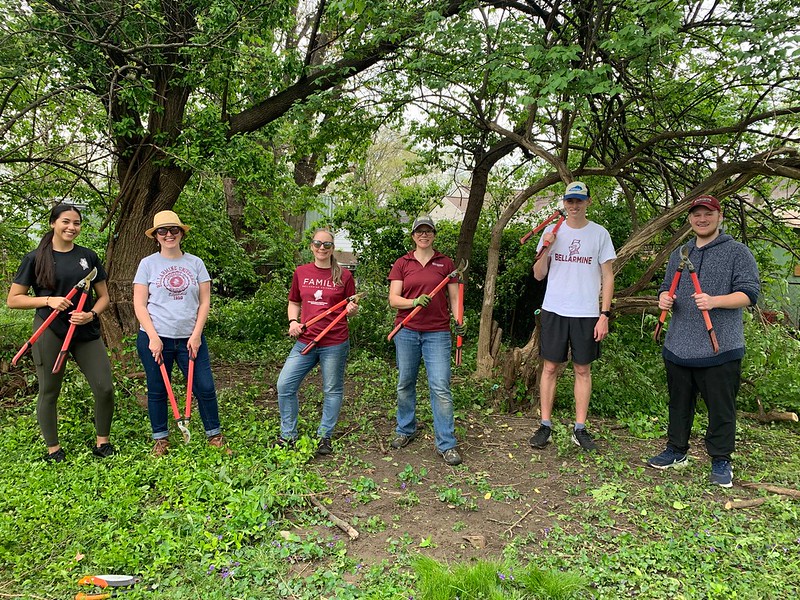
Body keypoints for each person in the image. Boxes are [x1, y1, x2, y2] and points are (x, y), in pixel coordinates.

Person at [647, 195, 759, 488]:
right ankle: (676, 450)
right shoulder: (680, 253)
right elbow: (665, 285)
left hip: (720, 347)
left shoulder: (738, 253)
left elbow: (749, 294)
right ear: (690, 219)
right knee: (679, 404)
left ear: (719, 216)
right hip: (678, 345)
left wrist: (715, 301)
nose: (702, 218)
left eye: (707, 213)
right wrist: (663, 298)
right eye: (696, 214)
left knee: (721, 408)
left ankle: (721, 459)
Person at [7, 204, 115, 462]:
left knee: (105, 388)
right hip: (50, 330)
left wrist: (92, 314)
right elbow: (14, 299)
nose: (71, 227)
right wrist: (48, 301)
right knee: (49, 390)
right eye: (66, 221)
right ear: (53, 223)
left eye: (76, 223)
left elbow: (104, 297)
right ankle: (53, 450)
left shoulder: (88, 257)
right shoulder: (34, 258)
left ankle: (103, 443)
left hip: (84, 330)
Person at [133, 210, 229, 456]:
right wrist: (153, 338)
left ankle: (214, 435)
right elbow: (139, 304)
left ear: (181, 234)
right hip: (155, 338)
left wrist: (196, 335)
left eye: (173, 230)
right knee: (157, 389)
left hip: (190, 338)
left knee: (204, 387)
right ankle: (161, 439)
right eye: (162, 231)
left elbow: (205, 301)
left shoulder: (195, 263)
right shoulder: (147, 264)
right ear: (155, 236)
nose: (168, 235)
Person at [529, 182, 616, 452]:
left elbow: (607, 275)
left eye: (579, 201)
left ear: (588, 202)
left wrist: (604, 314)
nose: (574, 206)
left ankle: (580, 428)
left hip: (586, 312)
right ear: (564, 203)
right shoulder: (551, 231)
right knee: (551, 368)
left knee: (582, 369)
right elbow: (538, 274)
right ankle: (545, 425)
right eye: (570, 201)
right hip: (554, 309)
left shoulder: (599, 234)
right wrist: (545, 247)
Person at [388, 215, 465, 466]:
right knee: (405, 382)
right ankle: (405, 429)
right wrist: (414, 302)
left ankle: (446, 443)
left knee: (440, 386)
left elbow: (454, 298)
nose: (424, 235)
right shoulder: (403, 263)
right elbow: (393, 299)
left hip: (437, 333)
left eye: (428, 231)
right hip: (407, 330)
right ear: (413, 236)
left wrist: (459, 320)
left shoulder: (446, 263)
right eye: (419, 232)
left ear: (434, 234)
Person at [276, 229, 358, 455]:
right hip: (306, 340)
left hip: (334, 342)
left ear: (333, 248)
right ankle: (288, 435)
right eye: (318, 243)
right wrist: (293, 321)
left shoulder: (344, 276)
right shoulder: (301, 272)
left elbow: (349, 308)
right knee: (284, 385)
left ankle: (325, 436)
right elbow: (294, 302)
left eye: (327, 245)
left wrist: (351, 310)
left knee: (332, 389)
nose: (322, 248)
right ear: (311, 246)